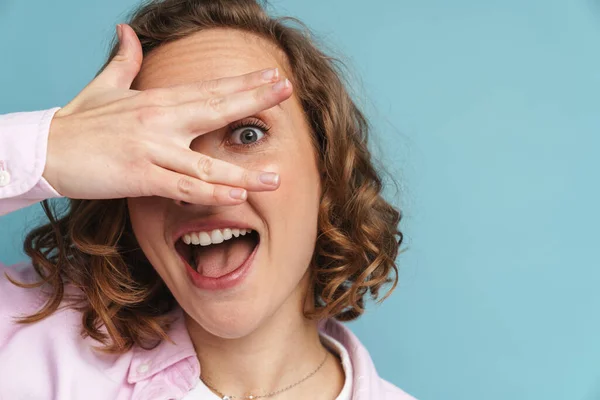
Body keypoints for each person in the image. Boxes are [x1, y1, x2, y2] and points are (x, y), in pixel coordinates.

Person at [0, 1, 414, 399]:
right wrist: (49, 150)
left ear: (325, 168)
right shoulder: (22, 340)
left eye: (247, 134)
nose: (200, 186)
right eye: (160, 147)